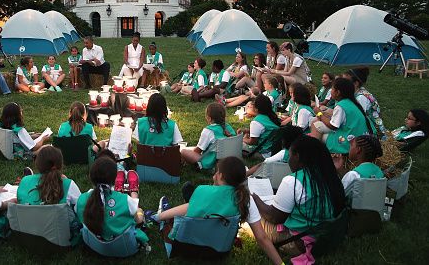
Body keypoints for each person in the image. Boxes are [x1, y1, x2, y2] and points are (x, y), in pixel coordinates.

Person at [147, 157, 283, 264]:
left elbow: (187, 209)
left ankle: (158, 217)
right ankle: (161, 215)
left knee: (176, 217)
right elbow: (262, 237)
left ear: (220, 175)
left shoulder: (202, 191)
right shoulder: (245, 200)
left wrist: (159, 217)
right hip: (220, 253)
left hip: (185, 248)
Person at [253, 135, 346, 263]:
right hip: (326, 237)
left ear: (297, 156)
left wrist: (256, 199)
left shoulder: (293, 181)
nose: (289, 160)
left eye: (290, 155)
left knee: (252, 219)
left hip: (299, 242)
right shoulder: (330, 176)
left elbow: (274, 218)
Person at [75, 157, 148, 248]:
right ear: (114, 180)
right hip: (125, 248)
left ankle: (121, 190)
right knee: (138, 210)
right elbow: (138, 221)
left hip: (94, 246)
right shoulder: (126, 200)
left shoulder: (81, 199)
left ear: (90, 177)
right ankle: (134, 193)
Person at [310, 78, 373, 169]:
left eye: (332, 89)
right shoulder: (351, 102)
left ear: (338, 92)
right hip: (359, 138)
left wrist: (319, 113)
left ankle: (313, 156)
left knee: (316, 125)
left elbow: (333, 126)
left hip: (349, 142)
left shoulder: (341, 106)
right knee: (317, 123)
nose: (331, 91)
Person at [17, 146, 81, 206]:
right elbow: (81, 207)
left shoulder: (24, 181)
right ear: (60, 164)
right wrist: (67, 182)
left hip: (27, 217)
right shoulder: (68, 185)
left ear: (37, 164)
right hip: (59, 218)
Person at [181, 103, 236, 170]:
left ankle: (182, 164)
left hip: (211, 163)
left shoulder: (208, 131)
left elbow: (198, 151)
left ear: (209, 118)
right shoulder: (228, 127)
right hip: (230, 161)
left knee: (183, 151)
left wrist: (190, 152)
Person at [343, 67, 386, 137]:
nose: (342, 83)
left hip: (373, 134)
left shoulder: (361, 98)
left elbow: (356, 119)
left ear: (356, 83)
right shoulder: (356, 93)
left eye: (346, 81)